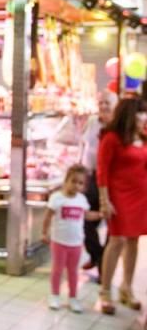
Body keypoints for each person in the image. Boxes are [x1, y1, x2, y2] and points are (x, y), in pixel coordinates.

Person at [96, 97, 147, 315]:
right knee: (116, 240)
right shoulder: (111, 138)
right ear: (130, 114)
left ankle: (127, 287)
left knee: (134, 240)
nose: (144, 117)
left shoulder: (143, 137)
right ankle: (105, 291)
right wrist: (104, 200)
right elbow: (102, 170)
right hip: (118, 195)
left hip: (141, 195)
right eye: (141, 113)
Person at [42, 165, 91, 313]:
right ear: (66, 180)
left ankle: (73, 298)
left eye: (80, 183)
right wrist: (44, 232)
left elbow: (87, 215)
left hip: (76, 243)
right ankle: (55, 295)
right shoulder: (57, 198)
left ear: (84, 186)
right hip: (59, 242)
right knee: (57, 270)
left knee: (73, 271)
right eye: (73, 181)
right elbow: (48, 216)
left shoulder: (82, 199)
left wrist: (101, 214)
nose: (76, 185)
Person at [81, 90, 119, 279]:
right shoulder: (91, 122)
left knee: (113, 225)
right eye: (101, 102)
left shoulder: (118, 127)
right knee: (85, 219)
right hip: (91, 177)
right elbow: (84, 146)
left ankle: (104, 268)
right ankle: (98, 255)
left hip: (112, 180)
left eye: (107, 103)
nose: (103, 106)